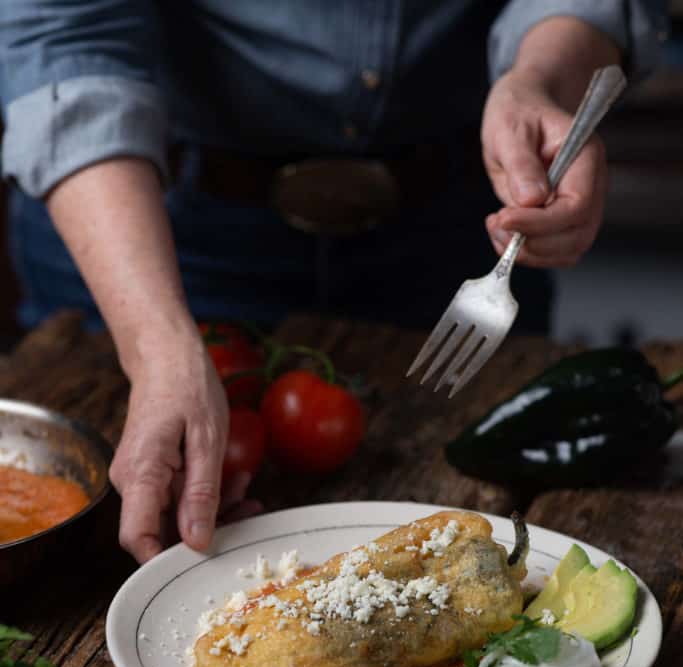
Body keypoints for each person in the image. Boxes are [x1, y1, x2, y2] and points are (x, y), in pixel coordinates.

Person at [0, 2, 666, 564]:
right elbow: (63, 34)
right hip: (149, 227)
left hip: (459, 216)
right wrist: (155, 346)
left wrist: (542, 75)